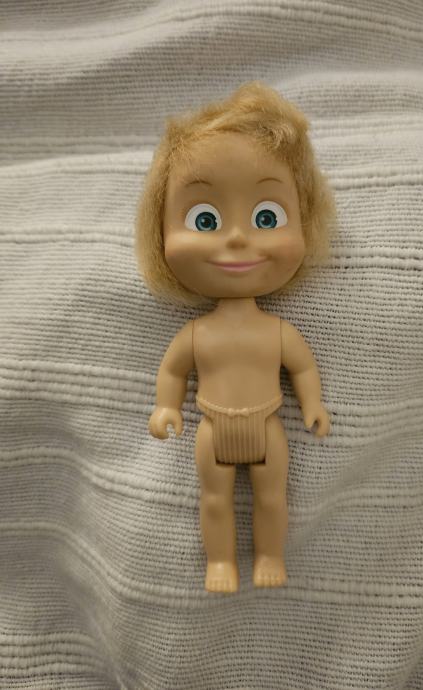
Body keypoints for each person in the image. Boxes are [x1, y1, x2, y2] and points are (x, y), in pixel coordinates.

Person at [135, 81, 336, 593]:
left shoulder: (277, 331)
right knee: (214, 499)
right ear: (160, 233)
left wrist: (312, 403)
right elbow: (173, 370)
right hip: (213, 428)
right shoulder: (197, 333)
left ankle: (270, 555)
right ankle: (220, 562)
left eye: (268, 217)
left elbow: (302, 366)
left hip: (268, 426)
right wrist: (166, 407)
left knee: (272, 497)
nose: (238, 237)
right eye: (205, 219)